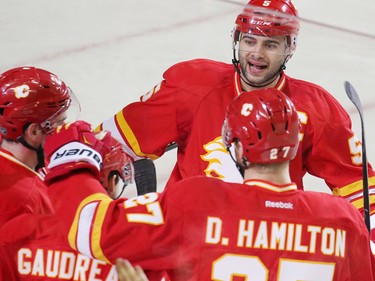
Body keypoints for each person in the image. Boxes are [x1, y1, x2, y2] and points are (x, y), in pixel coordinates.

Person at [95, 0, 375, 233]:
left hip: (266, 240)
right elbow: (109, 145)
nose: (257, 53)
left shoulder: (315, 109)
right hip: (186, 236)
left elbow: (360, 189)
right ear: (236, 40)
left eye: (271, 45)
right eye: (250, 41)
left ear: (289, 48)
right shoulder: (192, 87)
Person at [45, 88, 375, 280]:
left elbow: (91, 228)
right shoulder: (343, 219)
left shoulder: (198, 201)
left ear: (234, 147)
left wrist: (69, 158)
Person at [0, 66, 130, 280]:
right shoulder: (25, 199)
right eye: (58, 123)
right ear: (33, 132)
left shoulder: (19, 167)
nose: (63, 129)